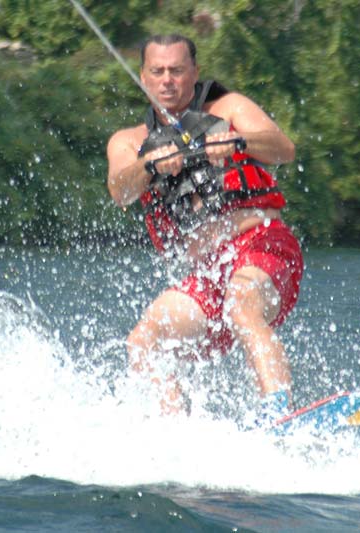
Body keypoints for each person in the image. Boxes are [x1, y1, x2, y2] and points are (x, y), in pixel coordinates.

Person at [106, 34, 303, 424]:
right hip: (208, 273)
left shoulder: (229, 108)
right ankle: (178, 434)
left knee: (241, 301)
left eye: (177, 71)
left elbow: (284, 148)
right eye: (158, 71)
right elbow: (120, 191)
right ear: (143, 77)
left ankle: (280, 415)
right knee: (143, 341)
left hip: (262, 246)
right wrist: (148, 165)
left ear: (194, 73)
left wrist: (238, 140)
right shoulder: (129, 142)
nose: (167, 80)